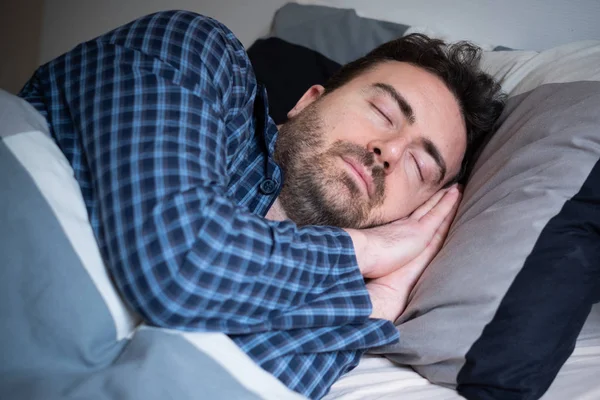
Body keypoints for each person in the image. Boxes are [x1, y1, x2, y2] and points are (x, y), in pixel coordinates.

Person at [18, 10, 505, 399]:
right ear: (308, 100)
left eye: (421, 167)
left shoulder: (330, 302)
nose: (391, 152)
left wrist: (377, 303)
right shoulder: (197, 55)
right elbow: (182, 262)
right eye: (381, 112)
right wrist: (367, 251)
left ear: (416, 212)